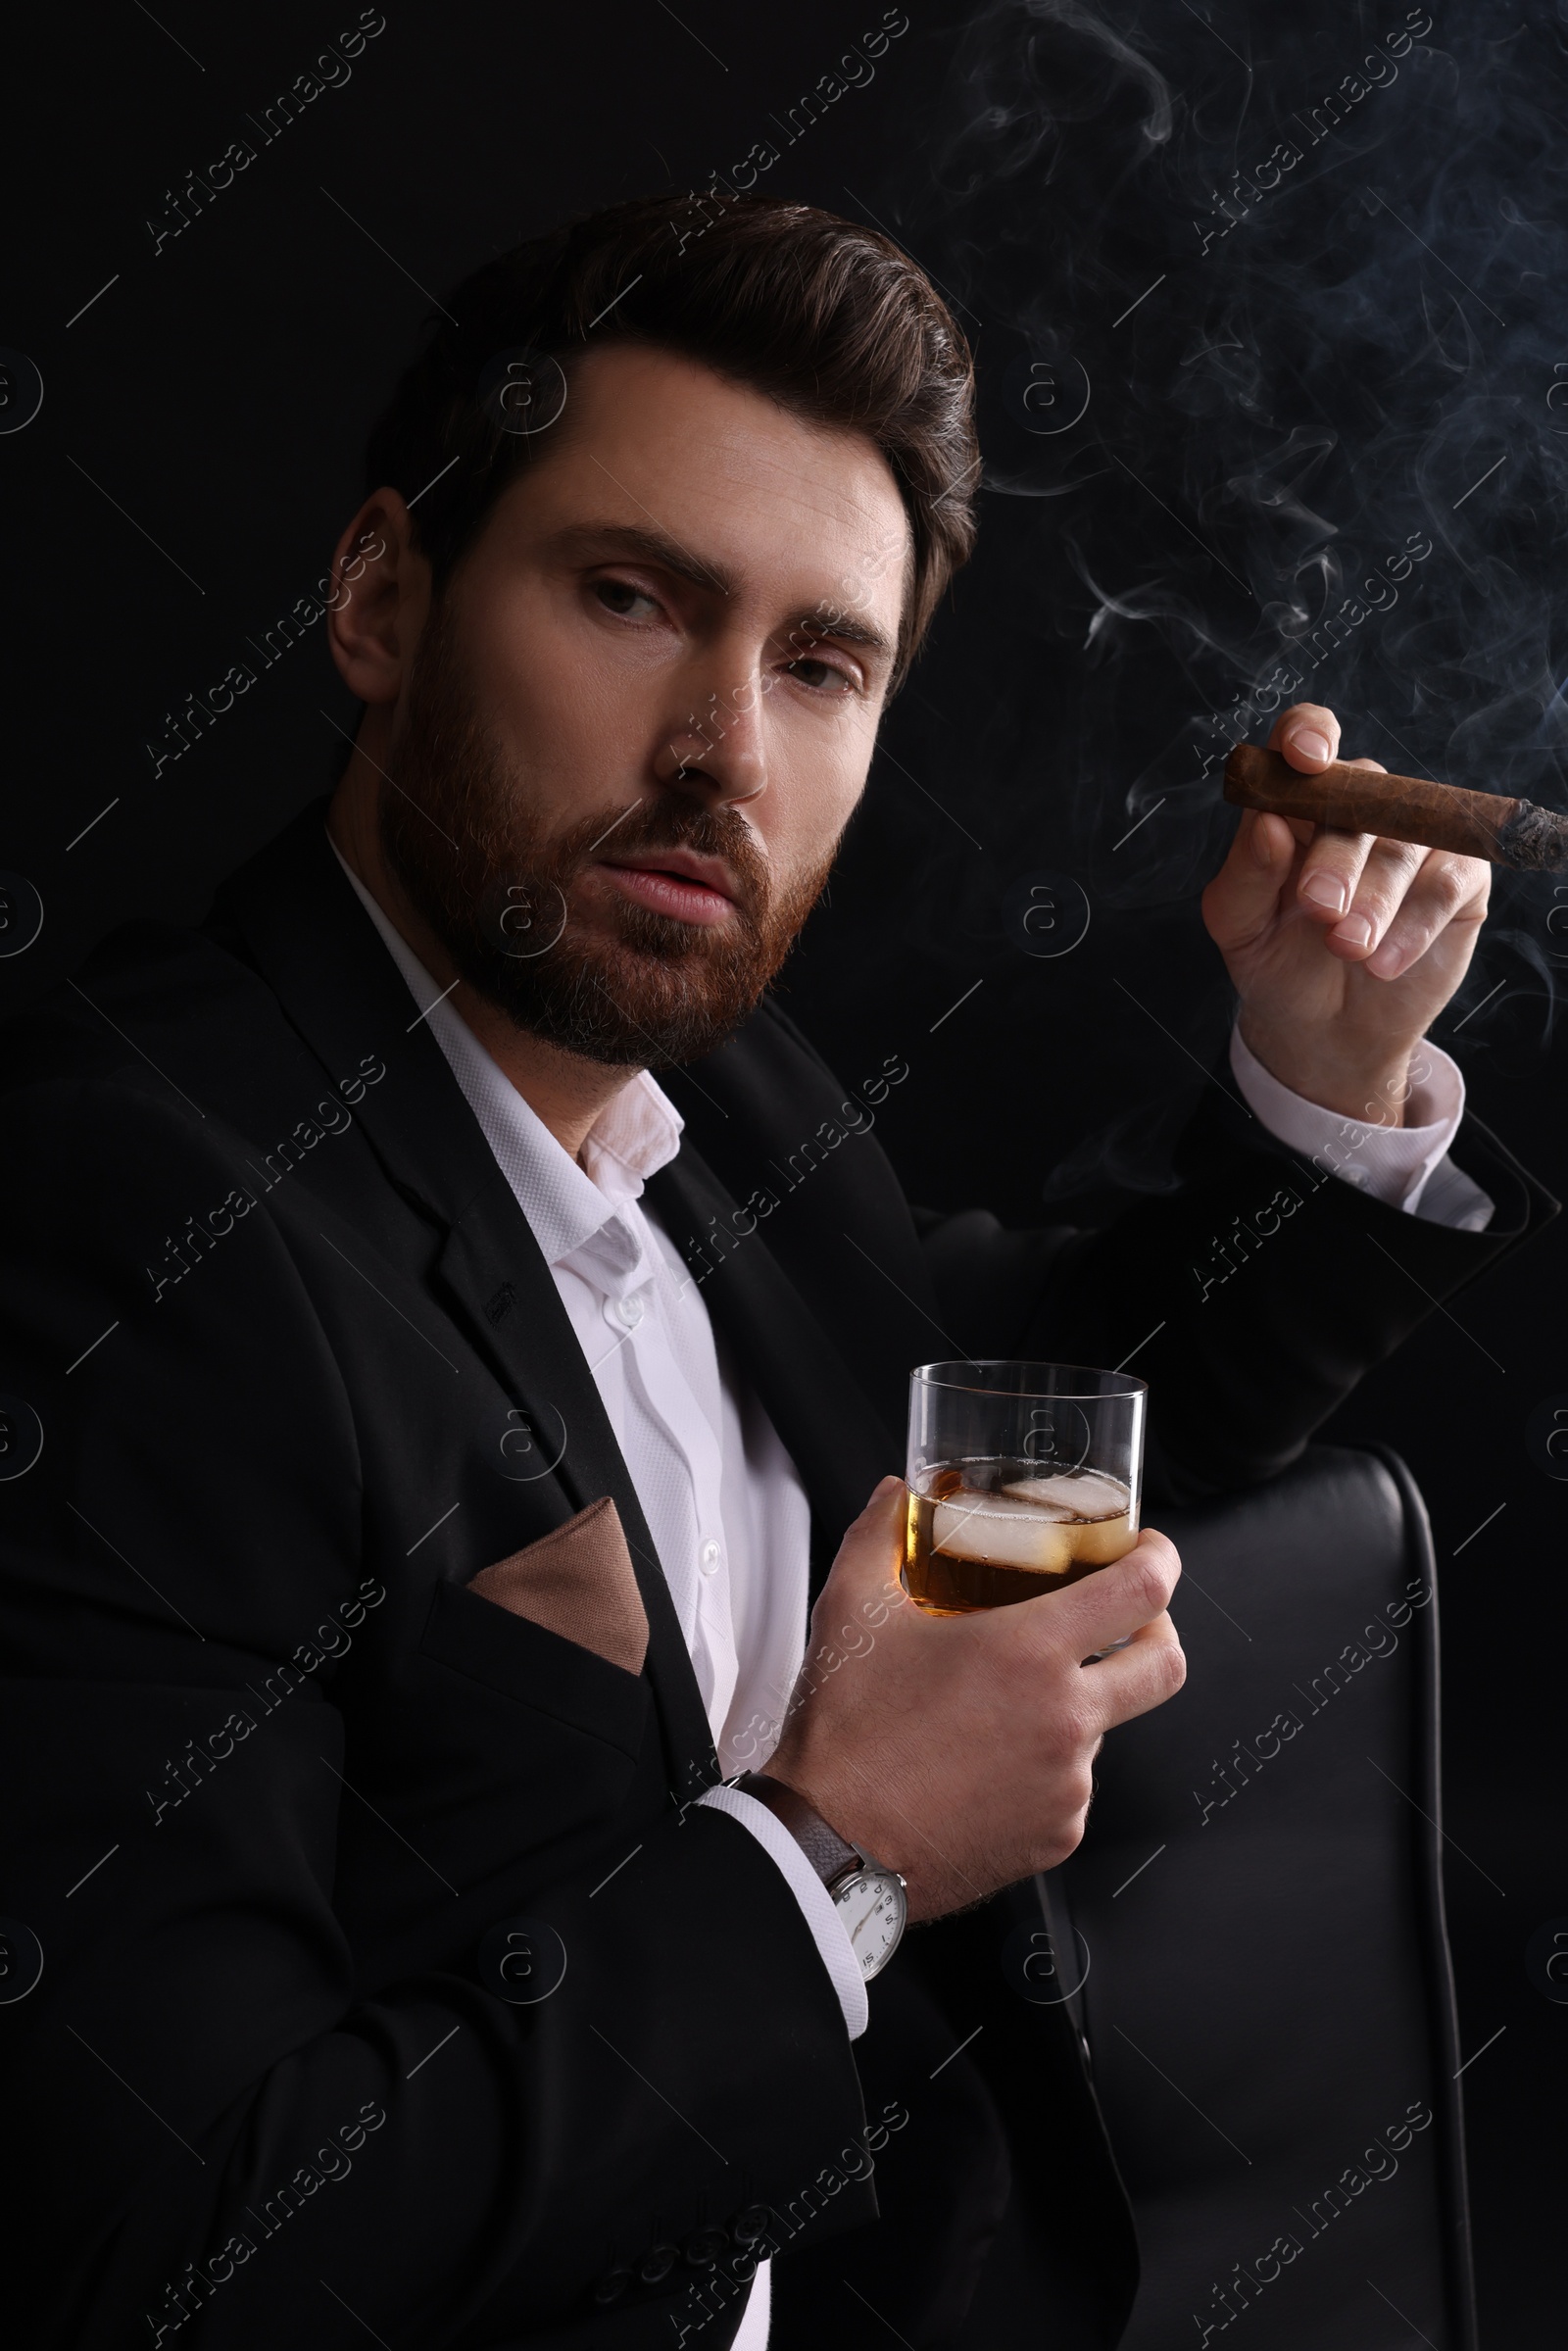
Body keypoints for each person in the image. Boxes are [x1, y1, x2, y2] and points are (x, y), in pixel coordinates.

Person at [0, 194, 1547, 2351]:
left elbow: (1012, 1461)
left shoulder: (719, 1090)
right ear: (377, 596)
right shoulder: (112, 1212)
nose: (724, 749)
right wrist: (835, 1855)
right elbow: (157, 2254)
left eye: (819, 664)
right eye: (628, 595)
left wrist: (1318, 1076)